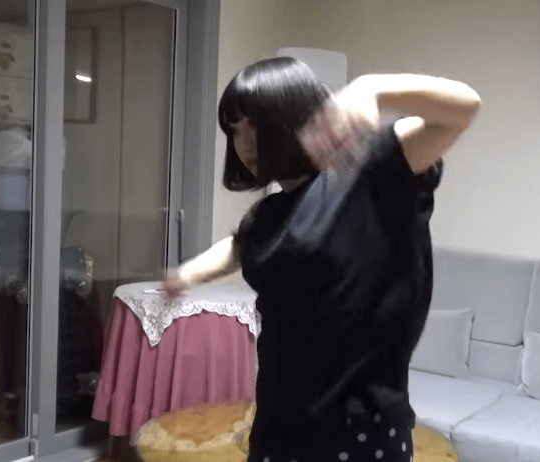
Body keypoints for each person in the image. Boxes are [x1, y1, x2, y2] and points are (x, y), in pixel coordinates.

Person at [164, 57, 480, 462]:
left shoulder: (371, 171)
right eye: (235, 130)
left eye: (254, 124)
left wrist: (374, 88)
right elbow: (239, 248)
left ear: (292, 116)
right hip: (277, 429)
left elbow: (464, 109)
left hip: (361, 434)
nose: (244, 144)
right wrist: (186, 274)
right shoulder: (269, 214)